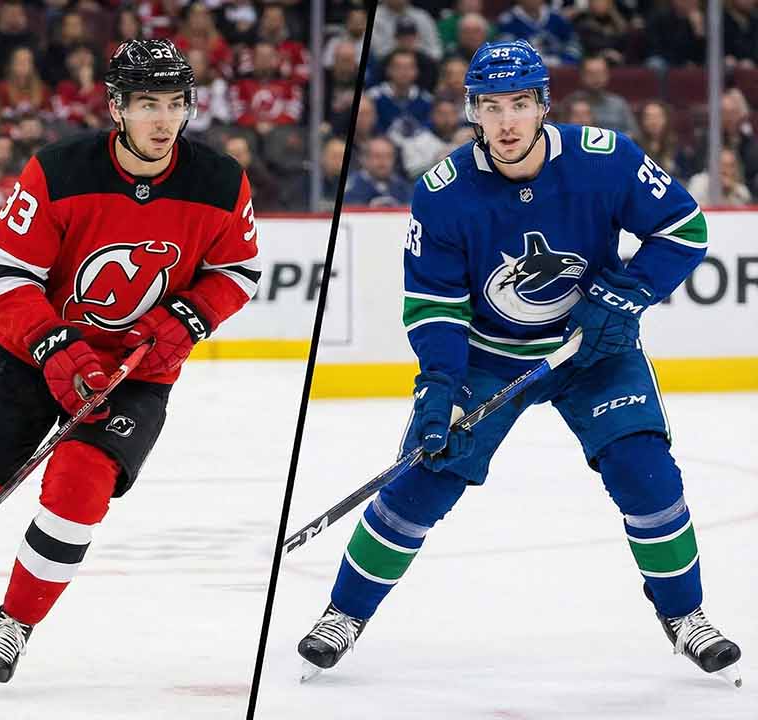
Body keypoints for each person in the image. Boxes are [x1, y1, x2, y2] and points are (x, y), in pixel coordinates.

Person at [295, 40, 741, 686]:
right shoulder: (443, 194)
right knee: (421, 485)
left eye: (520, 104)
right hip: (487, 359)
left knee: (645, 475)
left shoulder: (605, 159)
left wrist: (624, 298)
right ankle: (343, 614)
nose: (506, 122)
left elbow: (685, 229)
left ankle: (686, 617)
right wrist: (440, 387)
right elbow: (435, 306)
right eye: (492, 106)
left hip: (594, 350)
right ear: (472, 111)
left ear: (543, 106)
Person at [0, 38, 261, 691]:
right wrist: (55, 347)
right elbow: (5, 276)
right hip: (30, 359)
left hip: (134, 373)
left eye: (176, 103)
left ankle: (15, 622)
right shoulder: (58, 170)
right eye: (148, 103)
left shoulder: (221, 180)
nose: (164, 119)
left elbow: (237, 270)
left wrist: (187, 319)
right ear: (117, 106)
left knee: (78, 495)